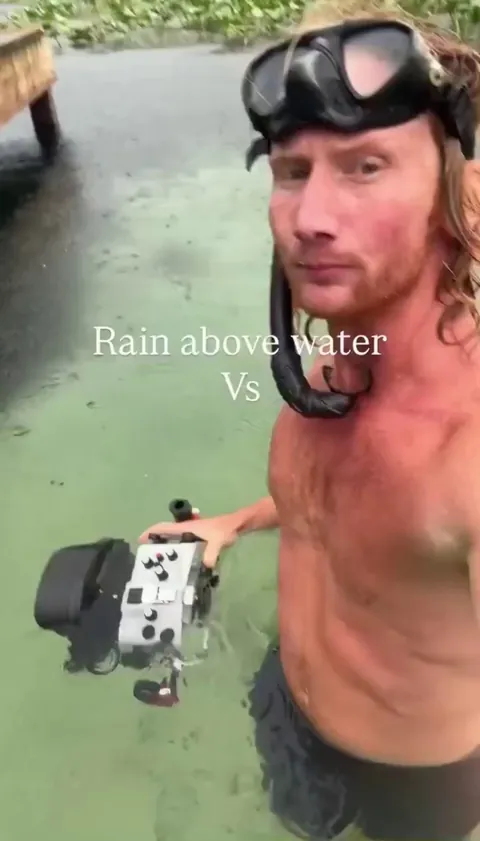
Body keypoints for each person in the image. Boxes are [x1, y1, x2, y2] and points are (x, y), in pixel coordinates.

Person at [140, 2, 480, 838]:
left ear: (456, 192)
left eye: (365, 167)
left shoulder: (467, 453)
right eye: (292, 172)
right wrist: (227, 524)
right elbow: (343, 516)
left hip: (417, 786)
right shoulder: (337, 367)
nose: (309, 217)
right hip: (292, 707)